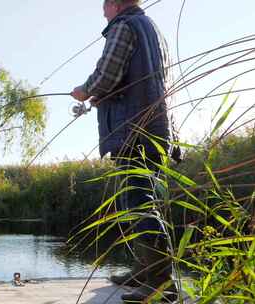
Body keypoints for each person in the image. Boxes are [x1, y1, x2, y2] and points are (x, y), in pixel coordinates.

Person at [71, 0, 177, 302]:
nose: (103, 13)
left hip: (135, 130)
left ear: (115, 4)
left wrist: (84, 90)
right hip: (154, 127)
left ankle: (160, 283)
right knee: (139, 198)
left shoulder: (123, 26)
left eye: (104, 6)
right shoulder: (151, 28)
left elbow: (106, 76)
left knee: (140, 200)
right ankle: (146, 270)